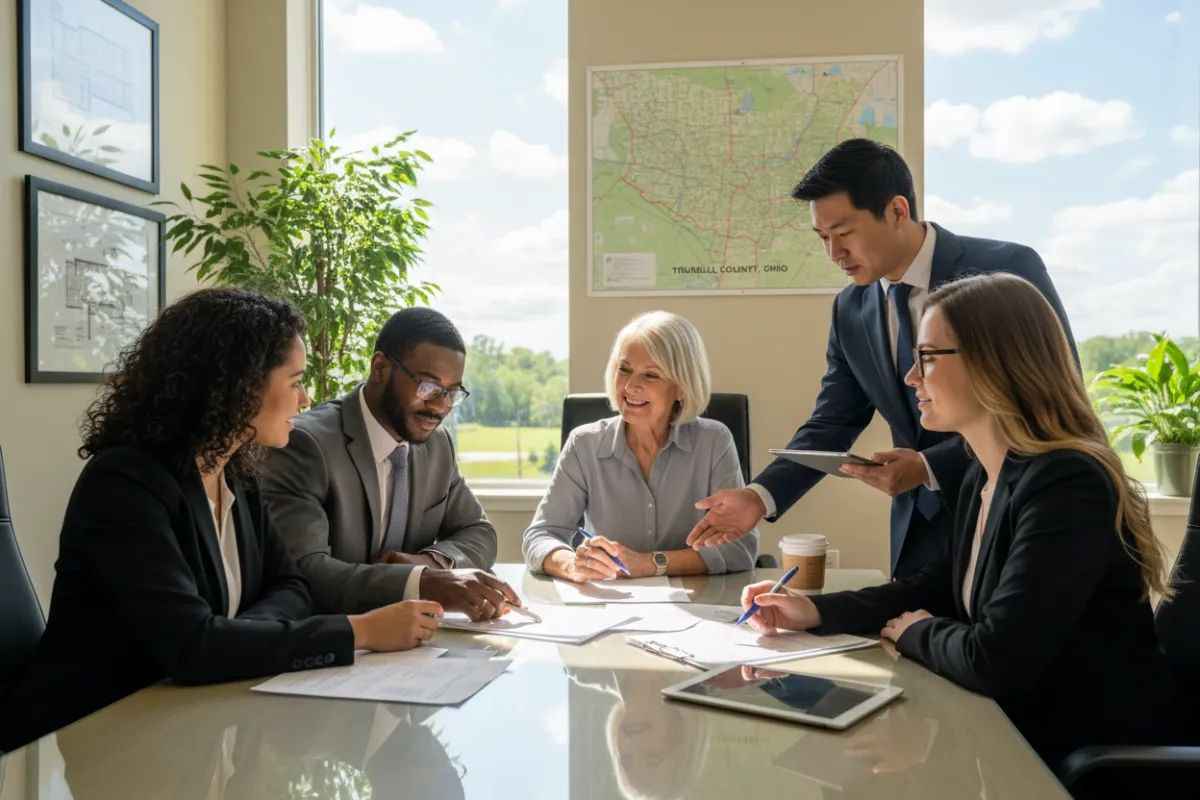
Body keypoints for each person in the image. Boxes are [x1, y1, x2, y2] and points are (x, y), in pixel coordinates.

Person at [739, 273, 1192, 799]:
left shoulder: (1067, 481)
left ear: (993, 362)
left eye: (927, 356)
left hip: (1084, 765)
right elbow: (928, 588)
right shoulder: (984, 471)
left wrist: (915, 633)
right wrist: (814, 611)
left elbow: (997, 659)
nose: (911, 377)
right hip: (1011, 738)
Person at [0, 288, 442, 753]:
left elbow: (291, 587)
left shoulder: (236, 472)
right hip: (94, 733)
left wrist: (235, 639)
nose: (305, 397)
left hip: (194, 721)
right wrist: (363, 630)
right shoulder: (125, 483)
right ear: (242, 385)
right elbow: (192, 647)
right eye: (294, 381)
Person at [687, 138, 1078, 578]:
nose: (833, 254)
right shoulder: (850, 308)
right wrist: (759, 497)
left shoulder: (1005, 269)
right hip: (916, 532)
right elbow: (834, 420)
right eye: (822, 238)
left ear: (896, 211)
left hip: (1015, 513)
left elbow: (1048, 395)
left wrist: (931, 466)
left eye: (843, 233)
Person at [262, 306, 520, 619]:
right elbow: (306, 572)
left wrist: (430, 563)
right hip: (332, 640)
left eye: (451, 393)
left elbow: (480, 533)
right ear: (380, 368)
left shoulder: (438, 445)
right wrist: (420, 583)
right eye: (428, 387)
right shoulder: (306, 445)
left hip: (412, 645)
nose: (439, 407)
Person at [523, 311, 757, 581]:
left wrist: (651, 563)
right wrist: (570, 564)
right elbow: (540, 536)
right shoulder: (584, 444)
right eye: (624, 370)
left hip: (697, 607)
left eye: (651, 375)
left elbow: (740, 549)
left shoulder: (714, 442)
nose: (631, 386)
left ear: (682, 387)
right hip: (607, 607)